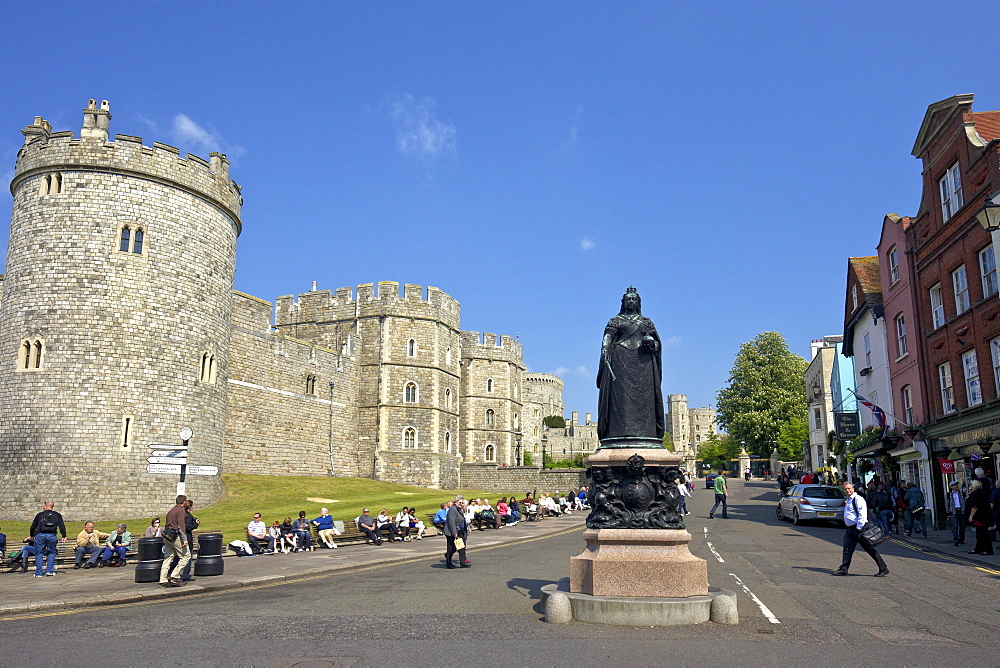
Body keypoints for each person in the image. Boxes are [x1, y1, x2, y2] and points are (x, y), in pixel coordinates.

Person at [596, 287, 664, 445]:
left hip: (643, 363)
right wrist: (605, 348)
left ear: (638, 302)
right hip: (621, 360)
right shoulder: (616, 321)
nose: (631, 301)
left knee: (645, 398)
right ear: (624, 302)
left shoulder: (646, 322)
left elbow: (657, 344)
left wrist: (652, 344)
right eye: (628, 299)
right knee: (621, 398)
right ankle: (619, 432)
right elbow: (608, 336)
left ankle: (646, 432)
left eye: (634, 299)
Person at [833, 482, 888, 577]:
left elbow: (862, 514)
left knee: (869, 549)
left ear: (853, 489)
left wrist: (859, 527)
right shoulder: (848, 500)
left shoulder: (858, 499)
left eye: (849, 488)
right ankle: (843, 569)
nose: (847, 490)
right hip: (850, 529)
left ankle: (883, 568)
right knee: (847, 549)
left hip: (859, 529)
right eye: (845, 489)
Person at [159, 495, 191, 588]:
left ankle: (163, 579)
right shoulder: (181, 511)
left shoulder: (171, 511)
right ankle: (175, 576)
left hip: (167, 536)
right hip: (176, 536)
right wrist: (184, 539)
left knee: (168, 558)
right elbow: (181, 526)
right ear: (184, 502)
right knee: (186, 556)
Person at [30, 501, 67, 577]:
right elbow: (61, 526)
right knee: (51, 553)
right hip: (52, 535)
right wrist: (64, 535)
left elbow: (33, 526)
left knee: (39, 554)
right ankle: (49, 571)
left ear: (45, 506)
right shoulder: (57, 515)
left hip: (40, 535)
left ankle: (38, 573)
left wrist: (32, 535)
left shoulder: (40, 515)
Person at [967, 480, 995, 556]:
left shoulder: (974, 494)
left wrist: (971, 516)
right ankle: (979, 549)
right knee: (980, 534)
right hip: (986, 516)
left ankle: (988, 550)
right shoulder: (984, 492)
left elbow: (974, 507)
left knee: (983, 534)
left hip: (979, 517)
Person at [443, 496, 470, 569]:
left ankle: (463, 563)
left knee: (461, 547)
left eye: (462, 502)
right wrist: (454, 533)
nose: (461, 504)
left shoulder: (459, 509)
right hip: (452, 532)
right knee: (451, 548)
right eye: (460, 502)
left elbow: (463, 520)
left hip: (460, 530)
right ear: (455, 502)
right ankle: (448, 563)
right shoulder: (452, 509)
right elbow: (452, 522)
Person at [945, 481, 967, 547]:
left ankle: (961, 539)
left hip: (961, 511)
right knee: (955, 526)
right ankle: (956, 540)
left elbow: (965, 501)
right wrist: (948, 513)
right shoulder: (948, 495)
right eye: (954, 485)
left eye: (956, 485)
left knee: (962, 526)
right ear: (951, 487)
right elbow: (946, 504)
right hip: (953, 511)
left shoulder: (962, 493)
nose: (956, 486)